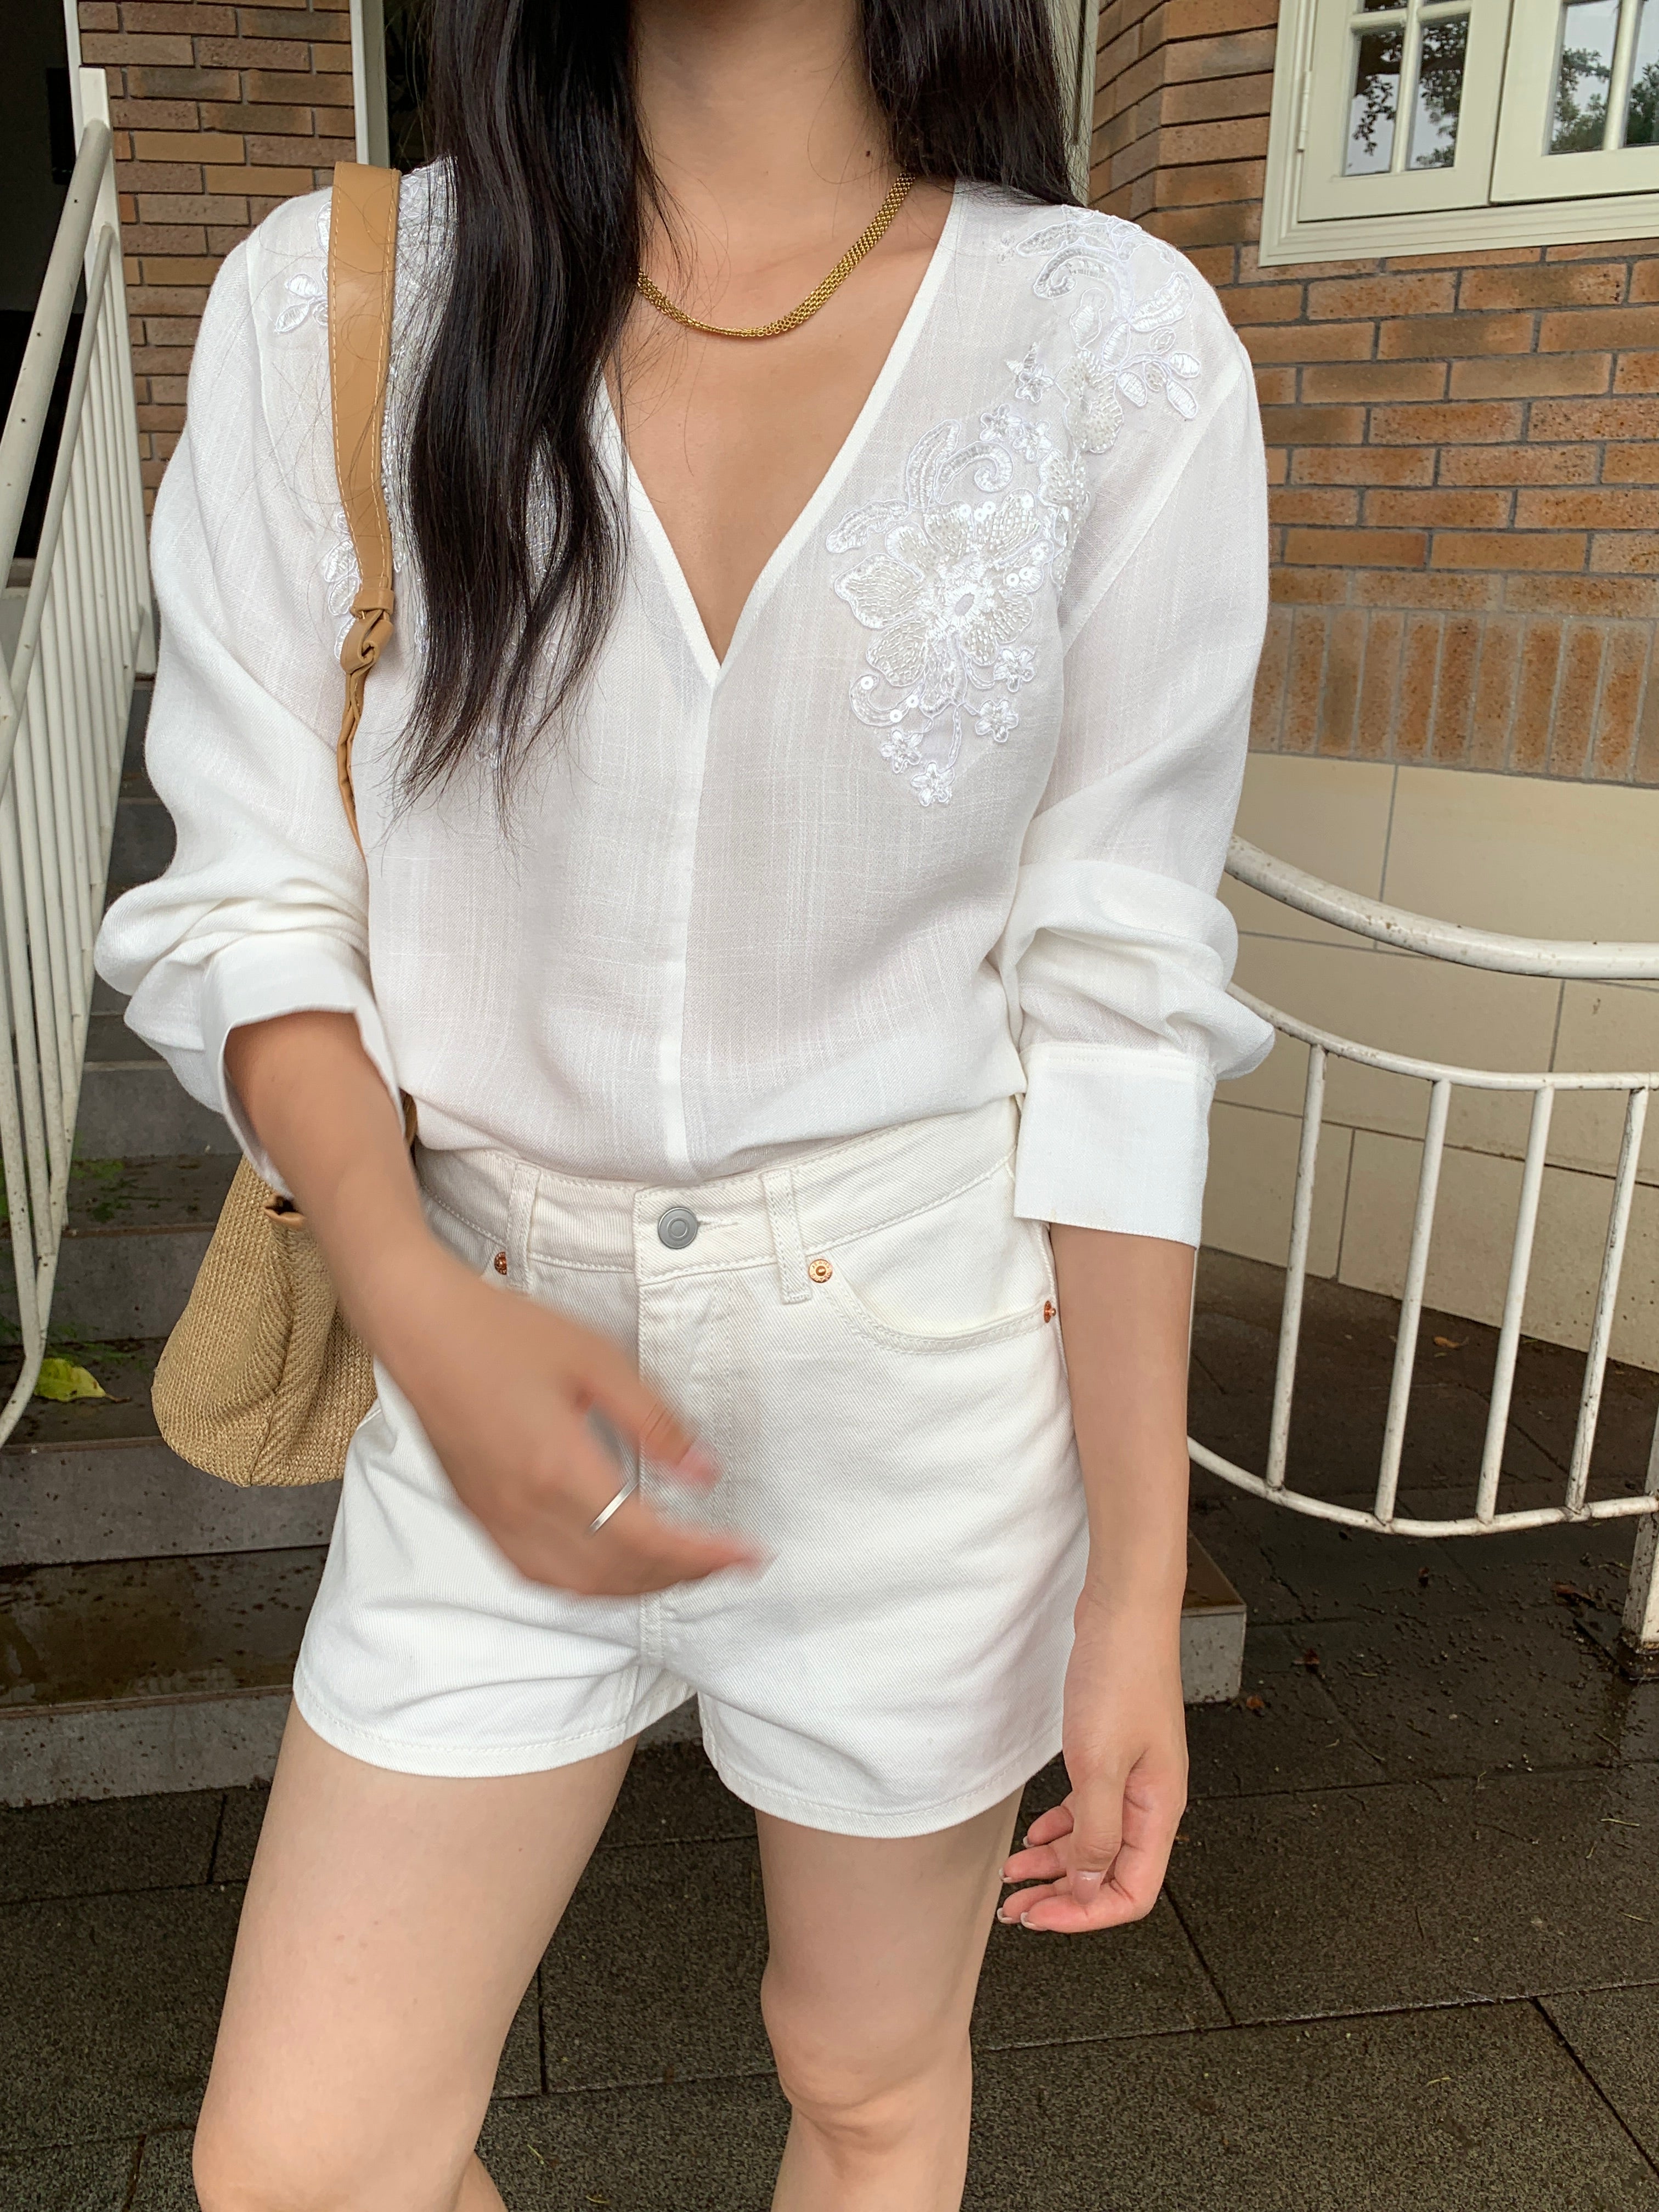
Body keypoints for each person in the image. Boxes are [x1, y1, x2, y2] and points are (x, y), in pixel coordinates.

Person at [95, 0, 1272, 2203]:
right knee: (300, 2168)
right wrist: (405, 1293)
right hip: (481, 1327)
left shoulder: (1112, 341)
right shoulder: (342, 305)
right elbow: (255, 902)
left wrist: (1138, 1577)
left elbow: (1118, 1004)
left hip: (924, 1367)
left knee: (866, 2077)